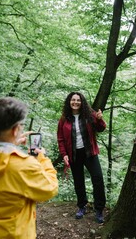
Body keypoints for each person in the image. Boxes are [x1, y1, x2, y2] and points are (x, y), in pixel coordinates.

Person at [0, 97, 58, 239]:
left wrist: (12, 143)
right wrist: (42, 158)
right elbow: (50, 189)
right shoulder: (24, 166)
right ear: (15, 130)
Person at [57, 92, 106, 223]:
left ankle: (99, 209)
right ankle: (82, 206)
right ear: (69, 102)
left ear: (82, 102)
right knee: (79, 181)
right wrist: (64, 154)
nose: (75, 102)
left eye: (78, 100)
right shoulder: (64, 119)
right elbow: (60, 139)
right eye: (73, 100)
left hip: (89, 152)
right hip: (74, 154)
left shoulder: (89, 115)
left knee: (98, 179)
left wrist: (100, 119)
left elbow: (101, 128)